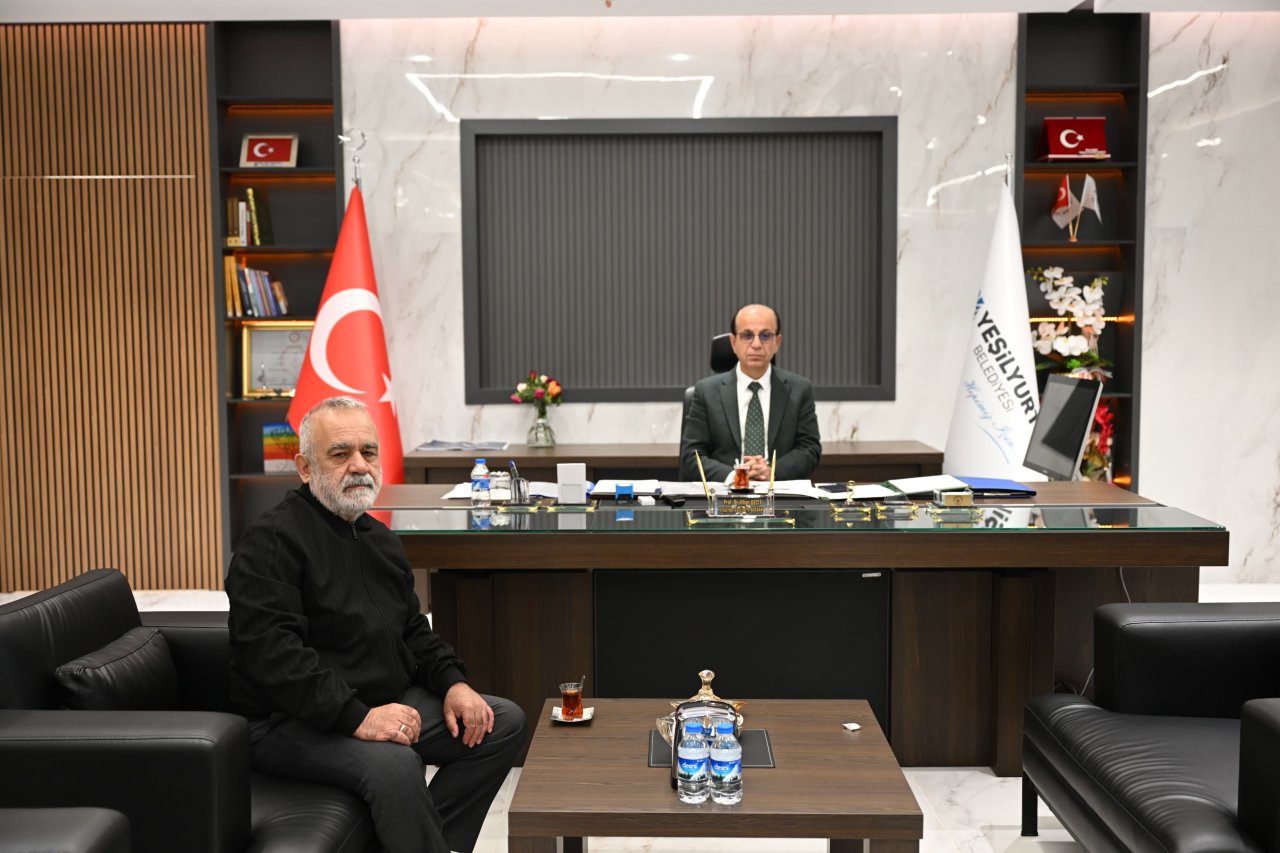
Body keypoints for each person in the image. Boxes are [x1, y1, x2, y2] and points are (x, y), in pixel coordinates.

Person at [226, 395, 526, 853]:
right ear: (305, 468)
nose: (359, 465)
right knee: (395, 763)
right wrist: (359, 718)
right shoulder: (270, 540)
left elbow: (412, 630)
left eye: (368, 451)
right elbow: (275, 659)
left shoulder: (380, 538)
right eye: (340, 453)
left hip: (379, 699)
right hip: (289, 721)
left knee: (499, 722)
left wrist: (454, 684)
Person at [679, 303, 822, 483]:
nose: (756, 344)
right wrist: (738, 476)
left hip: (778, 492)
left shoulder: (799, 389)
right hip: (725, 493)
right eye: (747, 335)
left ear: (777, 342)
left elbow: (809, 449)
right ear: (733, 342)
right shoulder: (706, 391)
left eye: (765, 336)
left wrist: (772, 472)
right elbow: (691, 455)